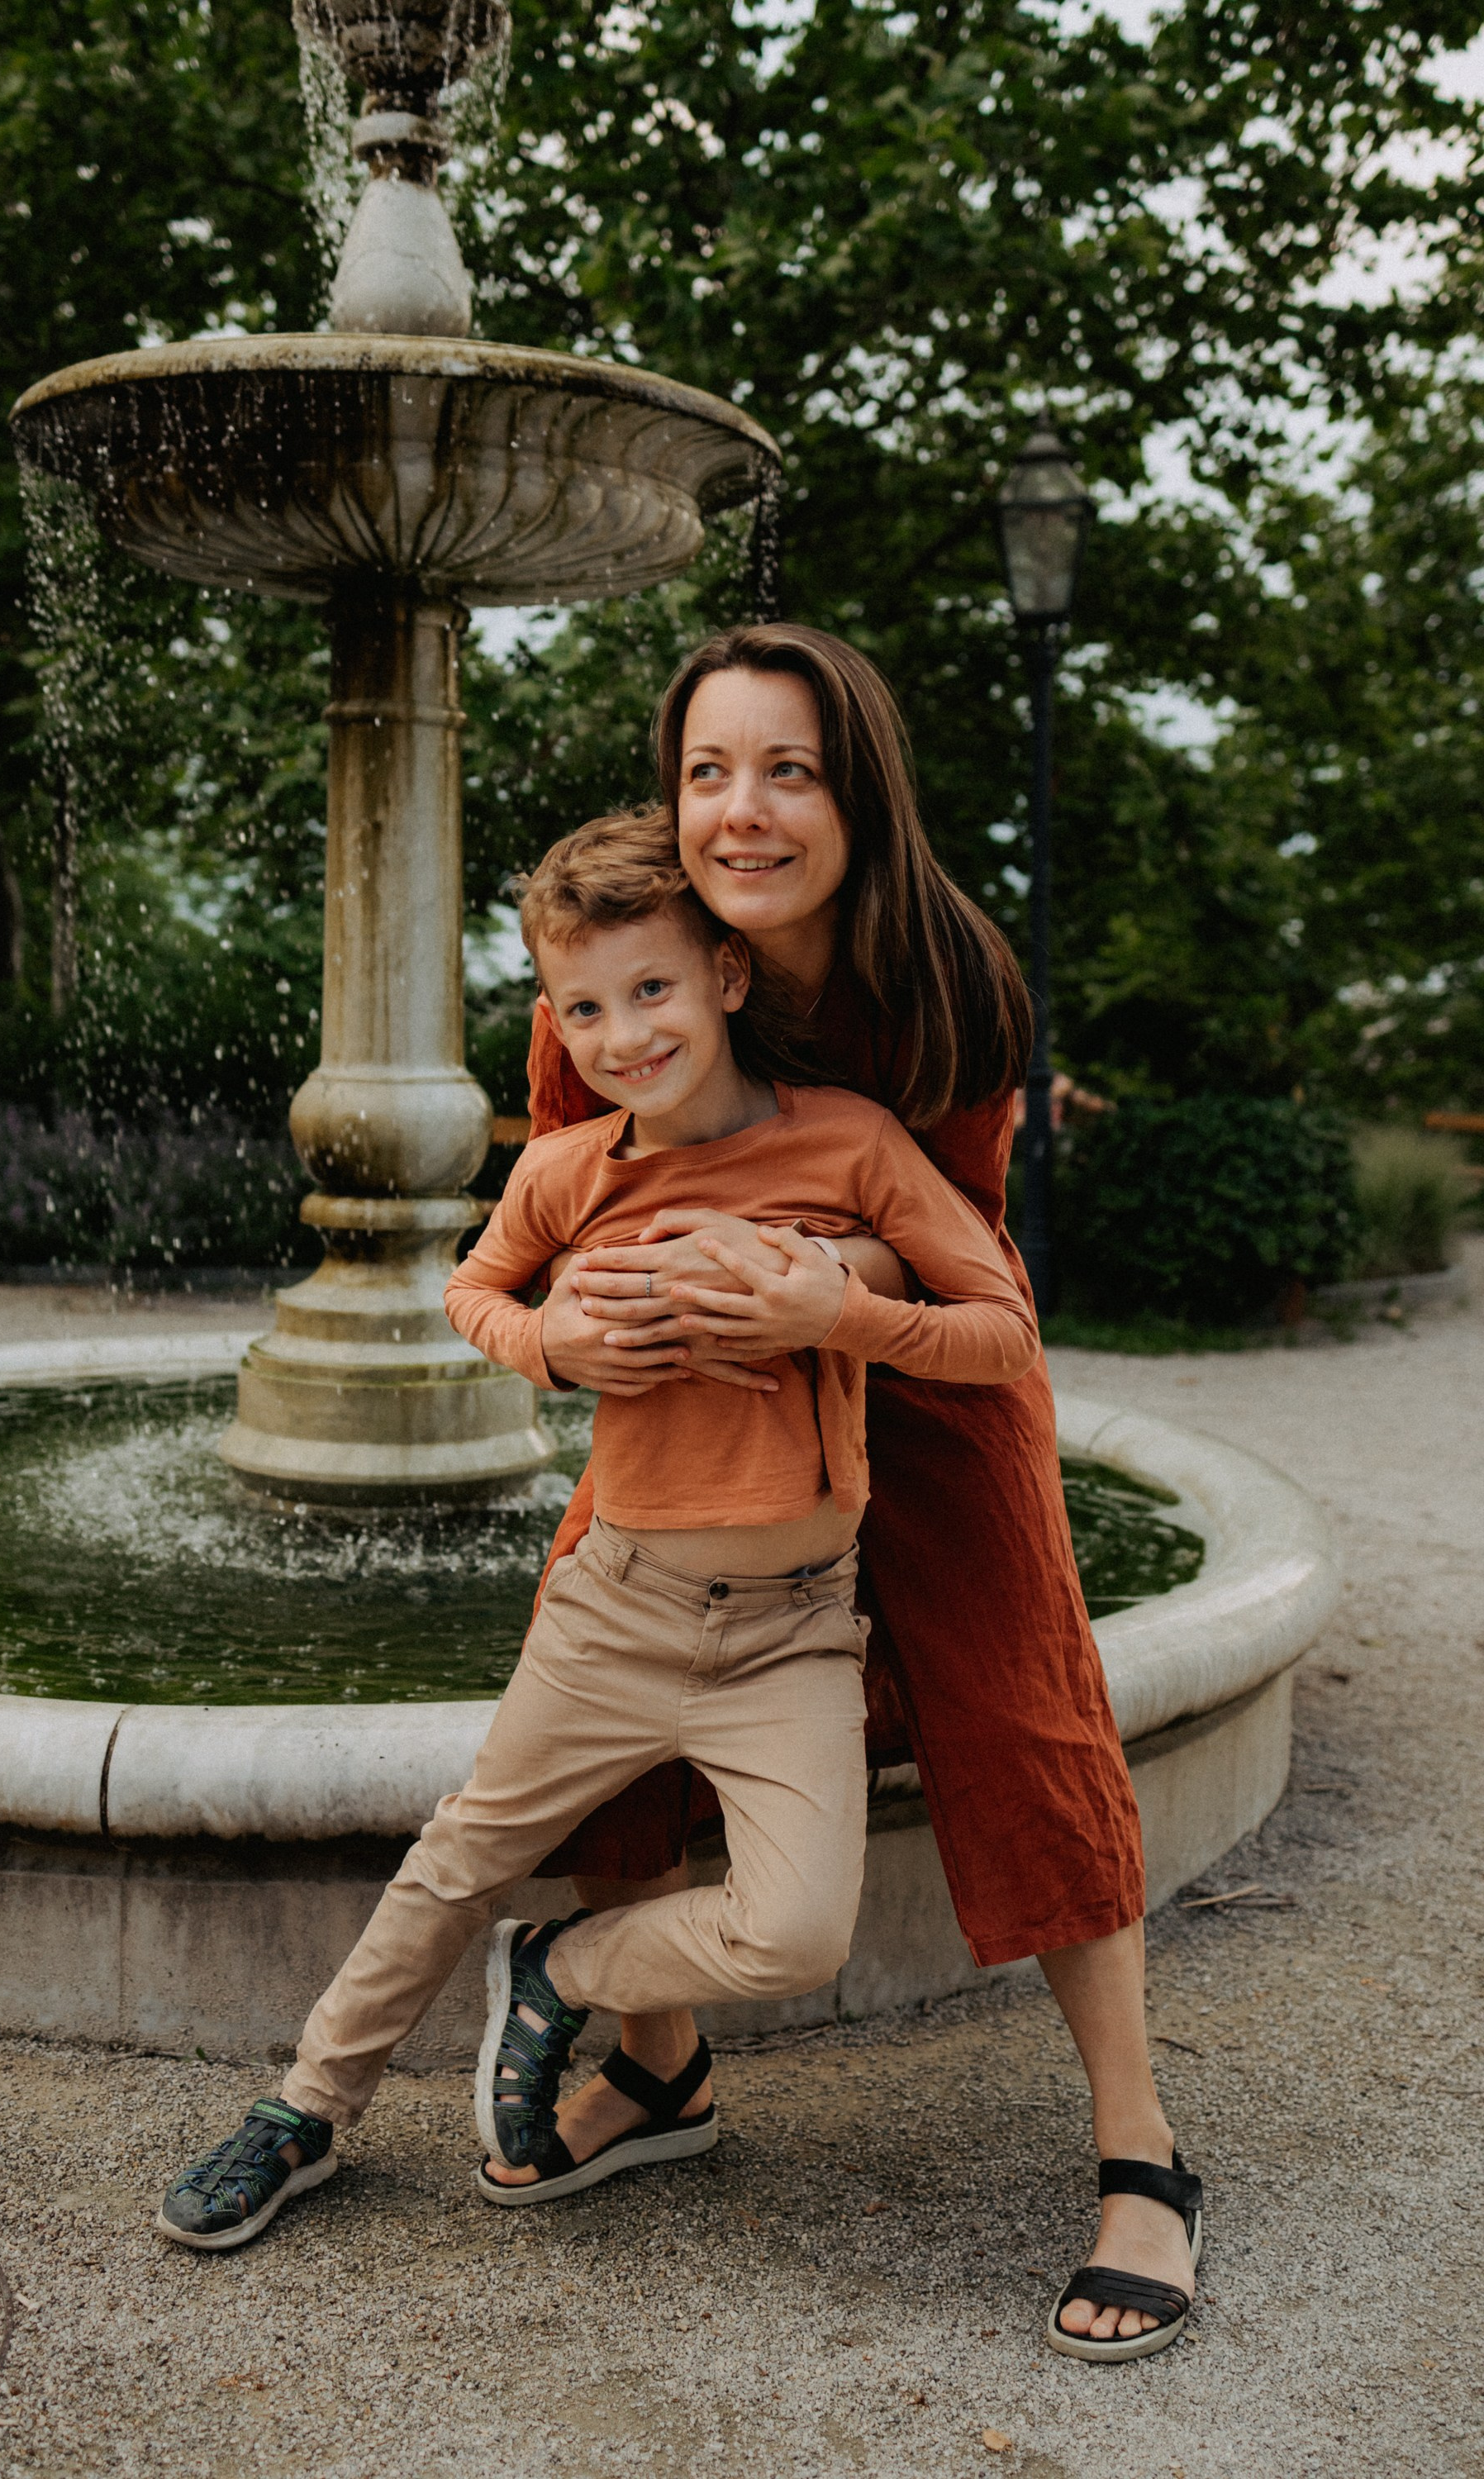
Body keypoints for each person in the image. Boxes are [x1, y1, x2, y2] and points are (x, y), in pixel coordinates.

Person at [153, 808, 1037, 2255]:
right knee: (456, 1857)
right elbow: (471, 1291)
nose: (625, 1033)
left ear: (726, 981)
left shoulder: (853, 1146)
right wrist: (553, 1343)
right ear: (554, 1014)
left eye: (652, 991)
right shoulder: (571, 1172)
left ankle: (565, 1966)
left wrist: (841, 1314)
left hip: (796, 1628)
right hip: (617, 1606)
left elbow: (1003, 1330)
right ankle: (301, 2115)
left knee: (797, 1932)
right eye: (585, 1006)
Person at [504, 624, 1205, 2363]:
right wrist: (558, 1332)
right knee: (614, 1668)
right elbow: (553, 1198)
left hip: (918, 1374)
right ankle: (662, 2072)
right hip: (700, 1403)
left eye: (788, 770)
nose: (742, 811)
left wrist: (836, 1310)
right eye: (706, 773)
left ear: (854, 791)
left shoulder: (948, 976)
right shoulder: (612, 959)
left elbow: (983, 1299)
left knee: (1023, 1710)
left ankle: (1145, 2154)